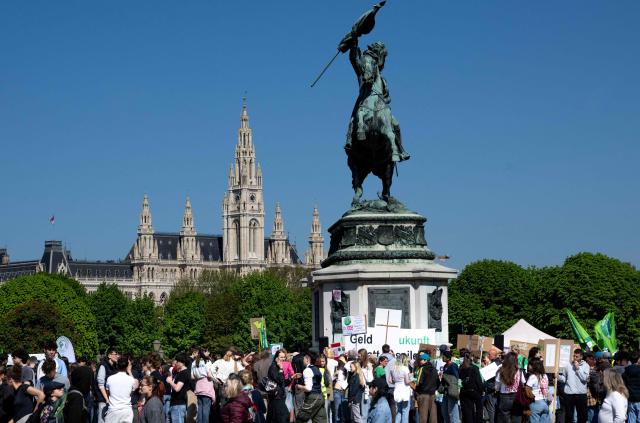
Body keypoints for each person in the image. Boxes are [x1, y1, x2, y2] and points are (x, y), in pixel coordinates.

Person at [104, 356, 139, 423]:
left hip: (113, 411)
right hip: (126, 411)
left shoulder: (110, 378)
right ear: (127, 366)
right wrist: (129, 371)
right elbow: (135, 386)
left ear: (117, 366)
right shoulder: (130, 379)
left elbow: (108, 392)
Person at [559, 349, 589, 423]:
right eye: (574, 356)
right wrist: (558, 377)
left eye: (577, 356)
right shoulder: (568, 365)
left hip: (581, 394)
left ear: (581, 357)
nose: (575, 358)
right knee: (569, 415)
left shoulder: (586, 366)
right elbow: (564, 379)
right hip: (569, 393)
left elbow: (585, 378)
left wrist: (578, 368)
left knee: (582, 416)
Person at [295, 353, 327, 423]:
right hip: (320, 396)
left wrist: (298, 386)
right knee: (320, 420)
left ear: (307, 360)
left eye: (303, 359)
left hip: (312, 397)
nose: (302, 361)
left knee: (300, 419)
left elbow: (308, 388)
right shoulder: (316, 369)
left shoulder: (307, 370)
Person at [266, 350, 293, 423]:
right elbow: (280, 380)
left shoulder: (277, 367)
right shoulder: (273, 367)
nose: (283, 359)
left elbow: (283, 382)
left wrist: (292, 378)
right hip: (276, 397)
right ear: (276, 358)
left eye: (284, 357)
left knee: (279, 417)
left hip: (280, 396)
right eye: (281, 357)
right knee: (281, 417)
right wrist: (281, 368)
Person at [495, 352, 521, 423]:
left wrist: (497, 389)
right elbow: (523, 382)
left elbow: (497, 386)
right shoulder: (518, 371)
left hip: (504, 396)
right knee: (516, 417)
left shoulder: (501, 370)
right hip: (516, 396)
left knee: (503, 418)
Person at [95, 348, 120, 423]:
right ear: (109, 355)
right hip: (103, 398)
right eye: (115, 354)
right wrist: (106, 399)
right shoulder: (103, 366)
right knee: (102, 419)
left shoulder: (115, 366)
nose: (117, 356)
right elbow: (100, 383)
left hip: (112, 398)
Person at [191, 349, 215, 423]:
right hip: (206, 385)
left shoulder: (194, 362)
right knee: (206, 410)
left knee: (200, 409)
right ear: (203, 353)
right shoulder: (207, 361)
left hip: (198, 386)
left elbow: (192, 377)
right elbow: (209, 375)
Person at [459, 352, 483, 423]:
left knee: (467, 411)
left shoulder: (461, 368)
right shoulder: (475, 368)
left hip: (464, 391)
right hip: (474, 391)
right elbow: (478, 381)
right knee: (479, 409)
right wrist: (481, 390)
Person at [414, 353, 438, 423]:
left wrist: (416, 390)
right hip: (432, 395)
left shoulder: (422, 368)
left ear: (425, 360)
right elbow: (438, 382)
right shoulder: (434, 369)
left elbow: (418, 382)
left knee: (423, 416)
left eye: (421, 360)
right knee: (433, 416)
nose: (419, 361)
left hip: (423, 394)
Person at [166, 353, 190, 423]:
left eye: (177, 361)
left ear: (183, 362)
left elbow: (177, 388)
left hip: (178, 405)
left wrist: (170, 381)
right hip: (175, 404)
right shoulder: (181, 373)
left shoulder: (184, 373)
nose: (176, 363)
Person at [387, 354, 411, 423]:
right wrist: (412, 379)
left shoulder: (393, 368)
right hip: (405, 391)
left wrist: (397, 381)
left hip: (397, 390)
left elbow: (390, 381)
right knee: (405, 411)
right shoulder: (405, 368)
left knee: (399, 410)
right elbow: (407, 382)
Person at [526, 358, 549, 423]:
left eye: (530, 365)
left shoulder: (533, 377)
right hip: (545, 402)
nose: (528, 366)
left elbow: (527, 390)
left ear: (534, 366)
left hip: (535, 402)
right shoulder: (545, 375)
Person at [440, 351, 460, 423]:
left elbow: (456, 378)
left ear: (448, 358)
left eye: (443, 356)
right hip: (446, 392)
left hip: (452, 392)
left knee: (452, 412)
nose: (442, 357)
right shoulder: (445, 366)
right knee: (444, 411)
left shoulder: (453, 366)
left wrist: (444, 376)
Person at [623, 351, 640, 423]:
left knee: (631, 417)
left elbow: (624, 383)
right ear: (638, 359)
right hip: (639, 398)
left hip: (630, 398)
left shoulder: (626, 371)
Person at [333, 356, 349, 423]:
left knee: (344, 410)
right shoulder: (337, 367)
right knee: (337, 410)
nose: (340, 360)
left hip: (344, 391)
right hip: (337, 390)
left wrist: (345, 361)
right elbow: (333, 378)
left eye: (342, 359)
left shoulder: (348, 368)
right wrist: (335, 374)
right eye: (340, 359)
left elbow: (349, 368)